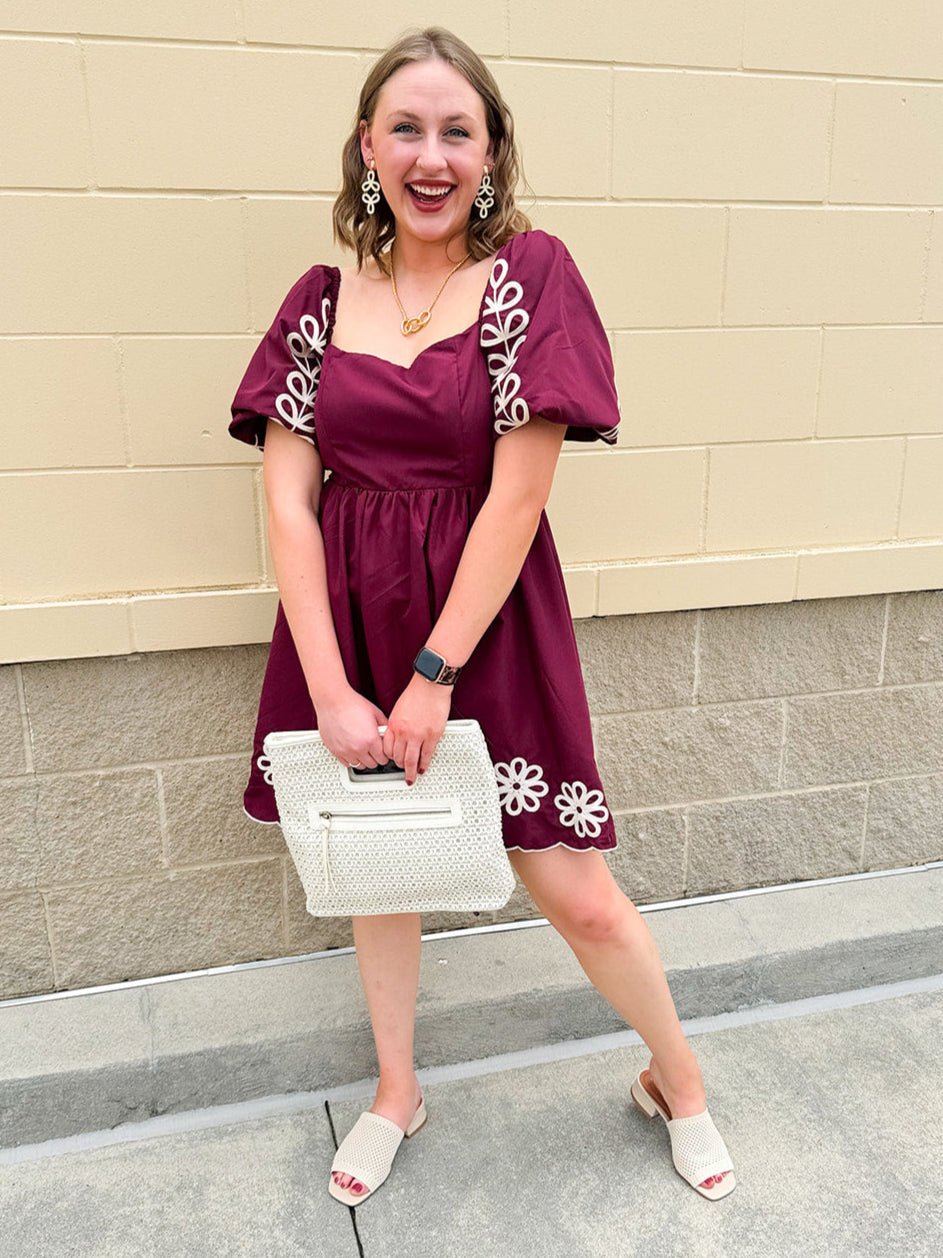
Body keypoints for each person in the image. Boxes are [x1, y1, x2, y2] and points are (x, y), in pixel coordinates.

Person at [228, 26, 735, 1206]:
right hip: (349, 628)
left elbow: (517, 495)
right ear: (366, 147)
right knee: (379, 871)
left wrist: (431, 673)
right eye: (405, 128)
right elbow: (289, 505)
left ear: (493, 151)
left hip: (481, 630)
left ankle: (679, 1080)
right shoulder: (317, 303)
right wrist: (332, 686)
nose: (432, 156)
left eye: (458, 131)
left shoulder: (527, 281)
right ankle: (396, 1088)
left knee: (576, 888)